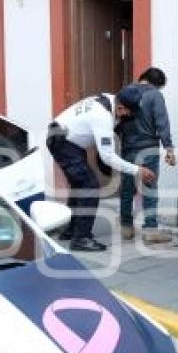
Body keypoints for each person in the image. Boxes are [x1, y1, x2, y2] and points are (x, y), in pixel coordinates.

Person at [47, 87, 156, 252]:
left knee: (80, 185)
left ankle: (71, 231)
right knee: (89, 187)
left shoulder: (109, 100)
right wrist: (138, 170)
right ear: (120, 108)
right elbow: (108, 157)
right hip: (63, 142)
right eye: (127, 113)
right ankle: (81, 238)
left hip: (64, 138)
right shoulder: (102, 116)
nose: (127, 116)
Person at [117, 68, 176, 244]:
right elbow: (162, 122)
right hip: (148, 148)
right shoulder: (155, 95)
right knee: (150, 188)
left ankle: (126, 227)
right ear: (156, 83)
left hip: (128, 148)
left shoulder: (124, 92)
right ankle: (150, 229)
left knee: (127, 188)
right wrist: (169, 149)